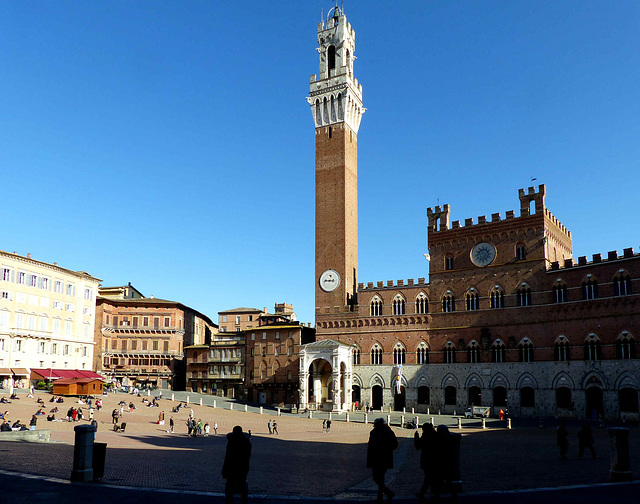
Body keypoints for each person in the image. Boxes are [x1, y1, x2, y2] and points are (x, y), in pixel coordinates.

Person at [366, 418, 398, 503]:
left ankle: (388, 493)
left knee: (376, 477)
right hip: (385, 458)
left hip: (377, 458)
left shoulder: (375, 432)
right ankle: (381, 497)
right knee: (381, 478)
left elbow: (371, 445)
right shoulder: (388, 431)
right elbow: (395, 444)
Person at [221, 426, 251, 504]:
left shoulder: (231, 442)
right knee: (242, 487)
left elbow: (227, 457)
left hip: (231, 468)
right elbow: (247, 456)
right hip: (242, 468)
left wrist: (224, 469)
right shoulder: (246, 442)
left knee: (229, 488)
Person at [414, 423, 437, 501]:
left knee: (428, 478)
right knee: (431, 478)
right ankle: (432, 494)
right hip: (435, 460)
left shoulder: (426, 436)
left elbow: (418, 446)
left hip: (427, 460)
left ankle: (425, 494)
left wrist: (416, 437)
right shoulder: (435, 435)